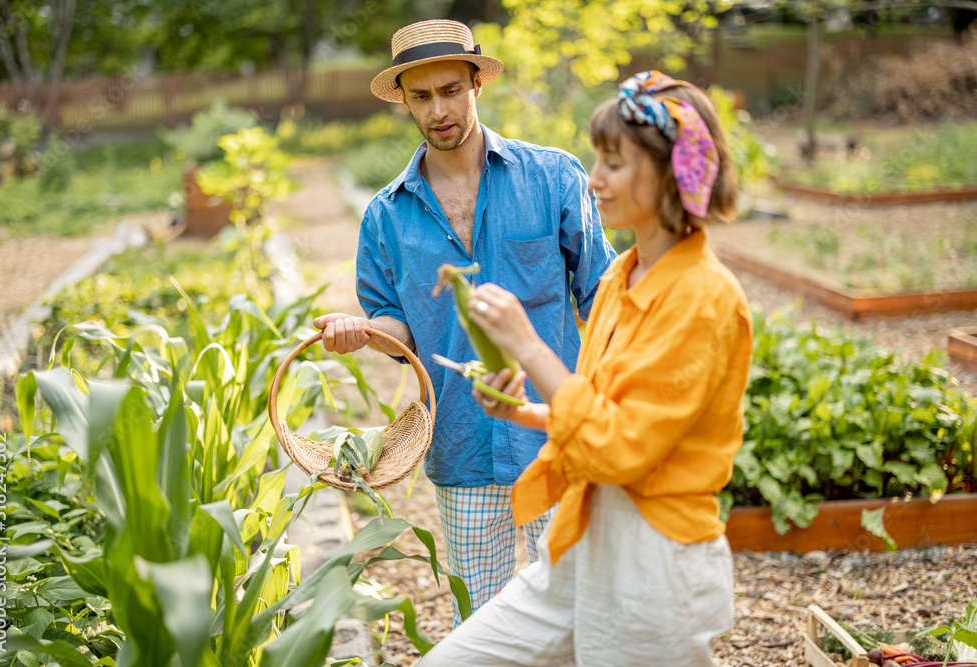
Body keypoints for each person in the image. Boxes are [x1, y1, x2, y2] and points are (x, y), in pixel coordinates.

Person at [416, 70, 754, 666]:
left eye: (615, 164)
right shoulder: (625, 275)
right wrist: (525, 411)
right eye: (598, 159)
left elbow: (621, 448)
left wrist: (528, 345)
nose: (593, 179)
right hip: (582, 537)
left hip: (656, 561)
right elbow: (603, 412)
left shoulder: (704, 297)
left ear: (672, 172)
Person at [312, 19, 616, 623]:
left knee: (581, 612)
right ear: (403, 99)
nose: (439, 110)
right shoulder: (386, 216)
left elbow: (603, 297)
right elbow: (397, 328)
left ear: (477, 82)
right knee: (481, 622)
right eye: (421, 96)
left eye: (451, 90)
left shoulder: (553, 177)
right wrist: (362, 333)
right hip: (463, 442)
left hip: (557, 435)